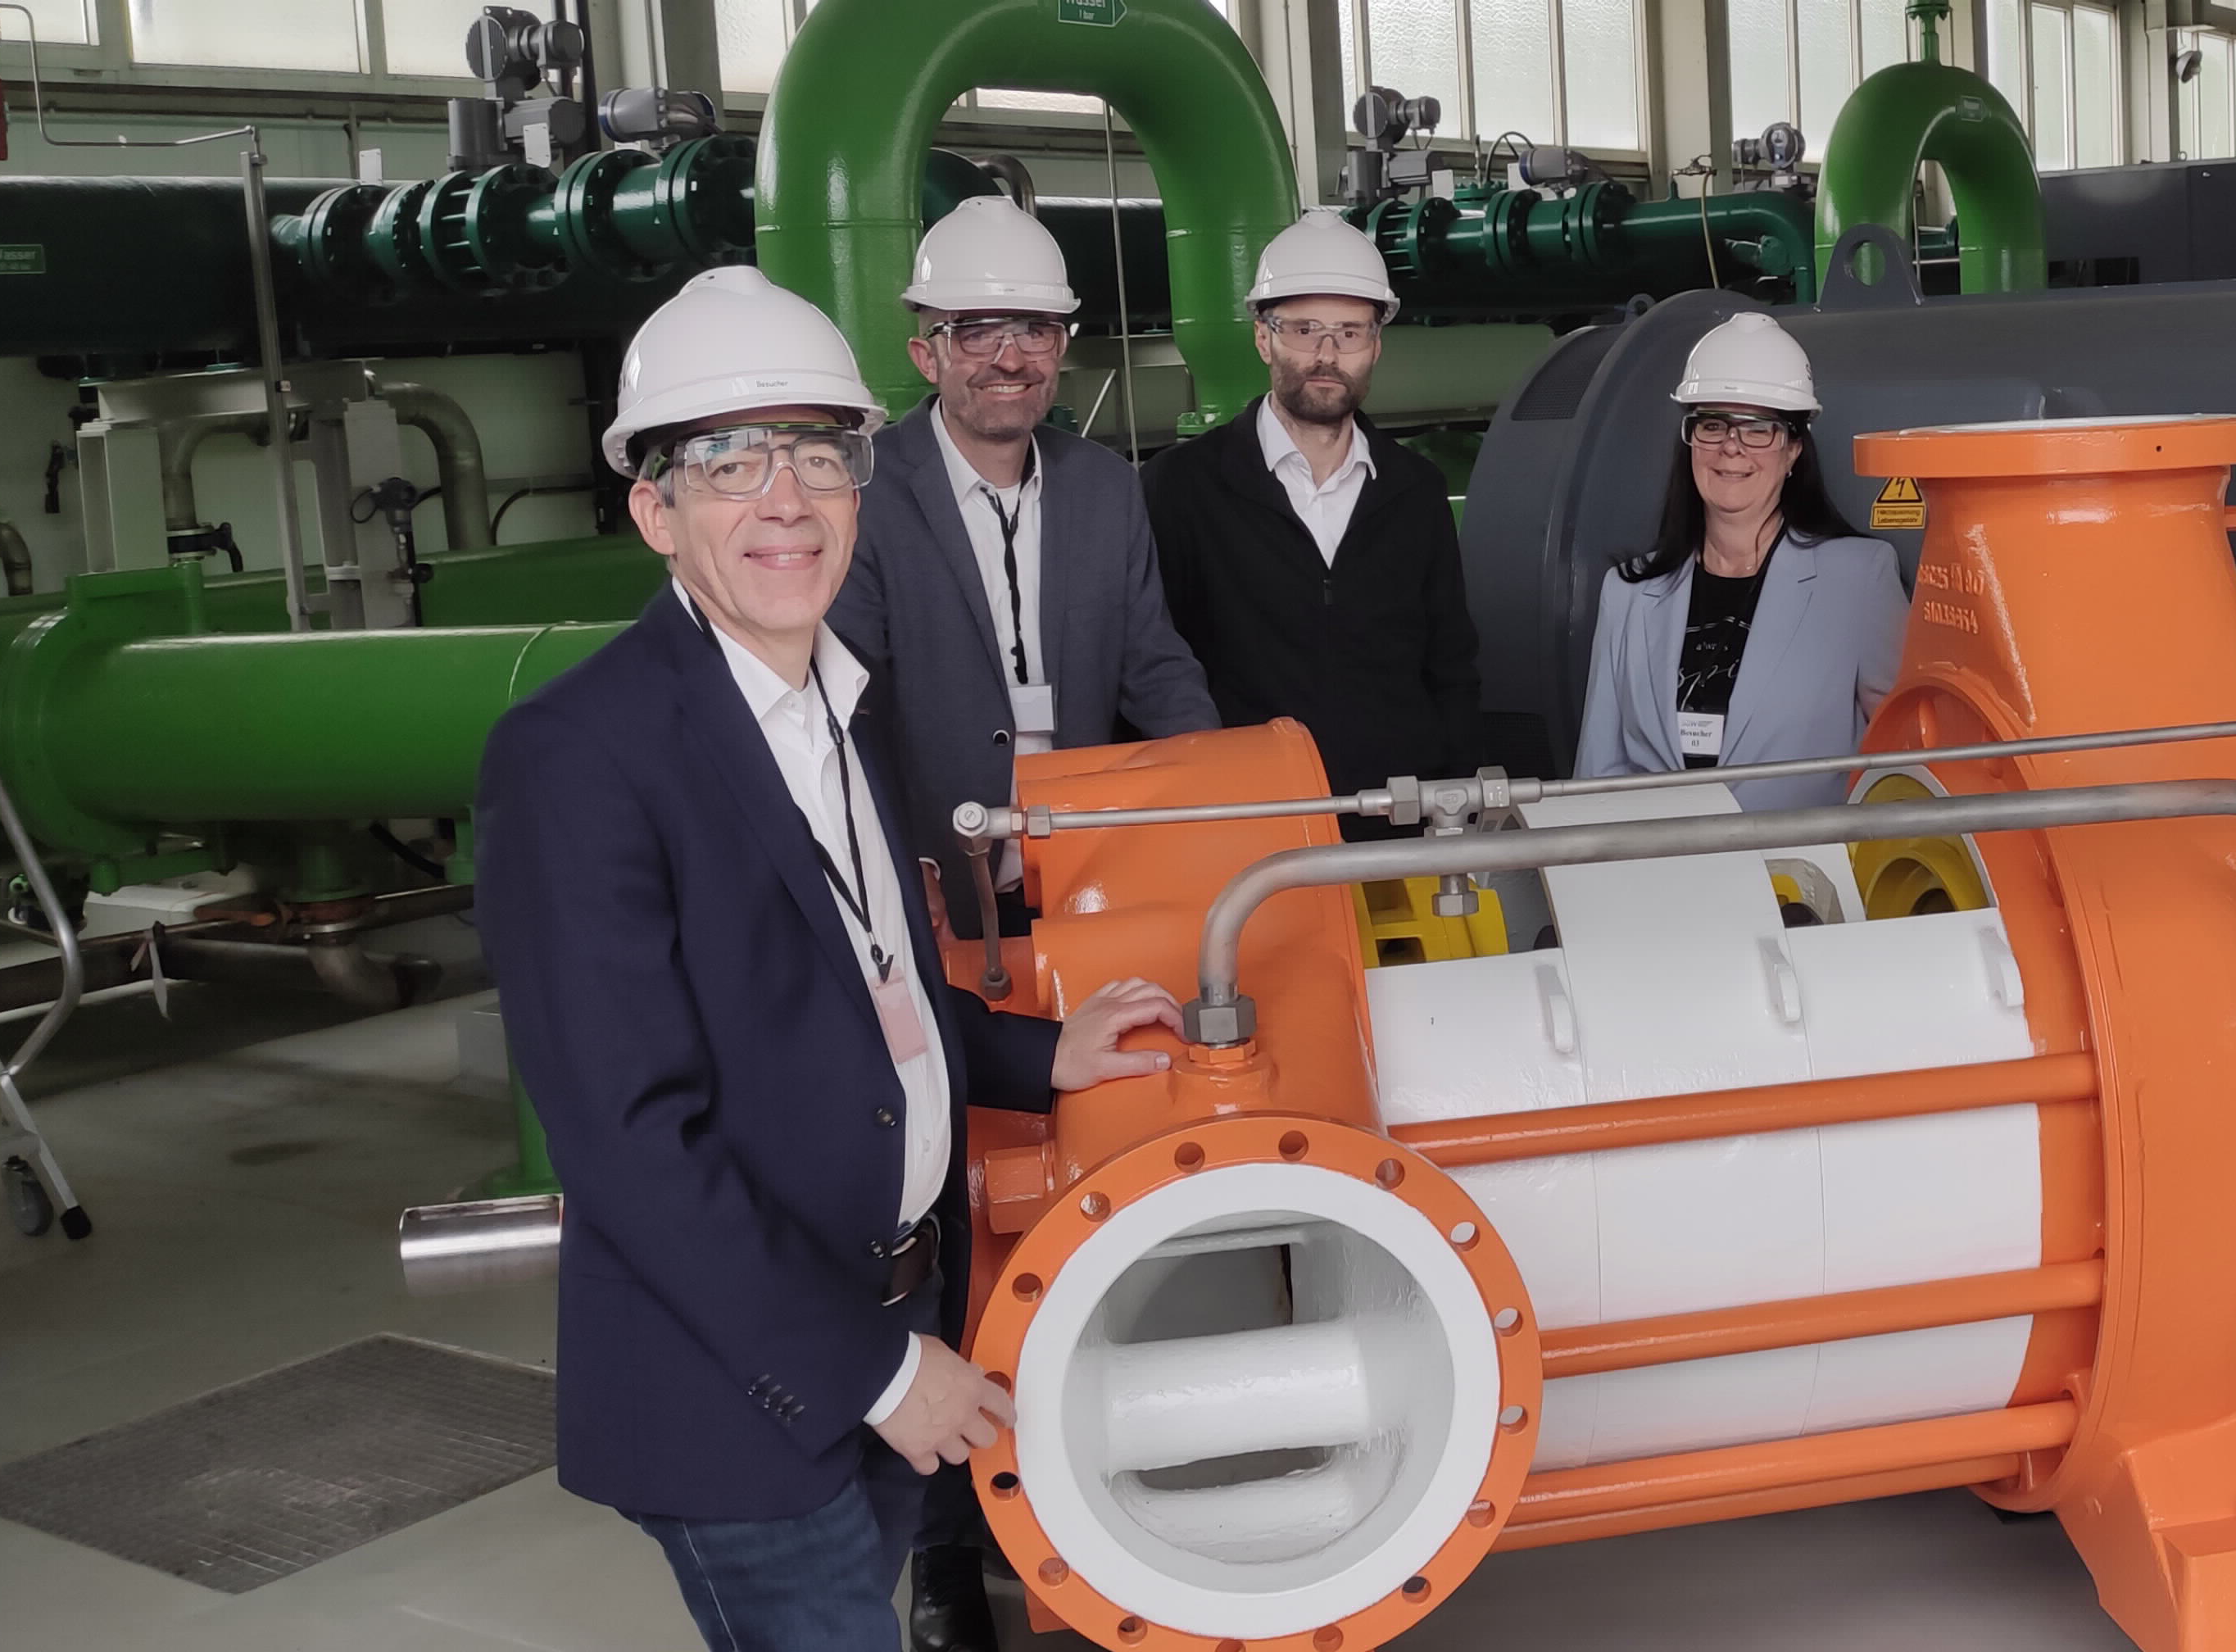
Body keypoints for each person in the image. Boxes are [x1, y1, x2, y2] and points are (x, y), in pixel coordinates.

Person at [474, 266, 1184, 1652]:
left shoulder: (845, 706)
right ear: (655, 510)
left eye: (816, 455)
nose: (785, 500)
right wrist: (875, 1374)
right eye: (729, 462)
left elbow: (864, 986)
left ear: (861, 486)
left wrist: (1041, 1053)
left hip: (894, 1316)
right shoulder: (579, 756)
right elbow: (630, 1142)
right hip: (749, 1384)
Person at [832, 195, 1218, 930]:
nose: (1010, 359)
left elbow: (1155, 668)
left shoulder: (1106, 487)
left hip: (1090, 877)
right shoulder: (864, 495)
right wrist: (896, 866)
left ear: (1061, 346)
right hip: (931, 886)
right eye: (975, 332)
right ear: (926, 355)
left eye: (1035, 330)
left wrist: (1218, 792)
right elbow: (847, 708)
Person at [1142, 213, 1484, 806]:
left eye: (1350, 333)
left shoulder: (1415, 489)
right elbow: (1151, 669)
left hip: (1400, 814)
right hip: (1252, 814)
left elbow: (1451, 664)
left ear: (1376, 345)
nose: (1327, 355)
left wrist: (1456, 801)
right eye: (1304, 330)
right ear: (1263, 338)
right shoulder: (1181, 486)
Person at [1574, 313, 1905, 813]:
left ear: (1793, 450)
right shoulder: (1627, 593)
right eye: (1713, 425)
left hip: (1805, 861)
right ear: (1690, 440)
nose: (1732, 447)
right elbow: (1597, 775)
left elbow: (1903, 756)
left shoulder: (1859, 579)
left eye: (1758, 429)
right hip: (1660, 860)